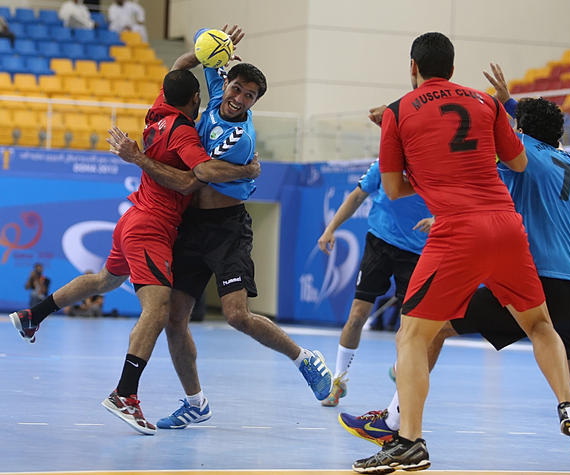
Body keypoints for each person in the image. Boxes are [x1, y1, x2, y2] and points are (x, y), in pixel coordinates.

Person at [339, 64, 570, 468]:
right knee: (566, 355)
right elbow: (530, 151)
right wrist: (510, 105)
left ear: (523, 130)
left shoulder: (521, 154)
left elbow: (468, 149)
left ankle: (396, 423)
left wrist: (497, 106)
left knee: (432, 330)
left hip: (538, 273)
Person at [9, 27, 261, 435]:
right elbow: (195, 177)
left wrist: (207, 53)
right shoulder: (183, 131)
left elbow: (178, 66)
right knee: (157, 310)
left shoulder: (158, 110)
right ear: (194, 101)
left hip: (133, 217)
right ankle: (125, 394)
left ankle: (32, 315)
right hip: (152, 227)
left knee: (104, 281)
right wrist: (248, 170)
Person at [107, 26, 333, 430]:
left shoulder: (239, 137)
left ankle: (304, 358)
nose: (239, 98)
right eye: (237, 89)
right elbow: (181, 68)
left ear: (255, 102)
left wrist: (247, 170)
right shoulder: (215, 94)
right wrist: (209, 50)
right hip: (192, 226)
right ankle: (195, 403)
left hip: (228, 228)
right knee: (174, 319)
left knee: (236, 315)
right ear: (225, 84)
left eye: (250, 96)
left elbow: (204, 171)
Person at [316, 157, 432, 407]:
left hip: (415, 252)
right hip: (379, 243)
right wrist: (330, 228)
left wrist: (438, 220)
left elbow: (455, 200)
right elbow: (357, 196)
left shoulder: (434, 164)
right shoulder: (385, 162)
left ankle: (400, 369)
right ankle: (339, 380)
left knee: (410, 323)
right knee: (357, 315)